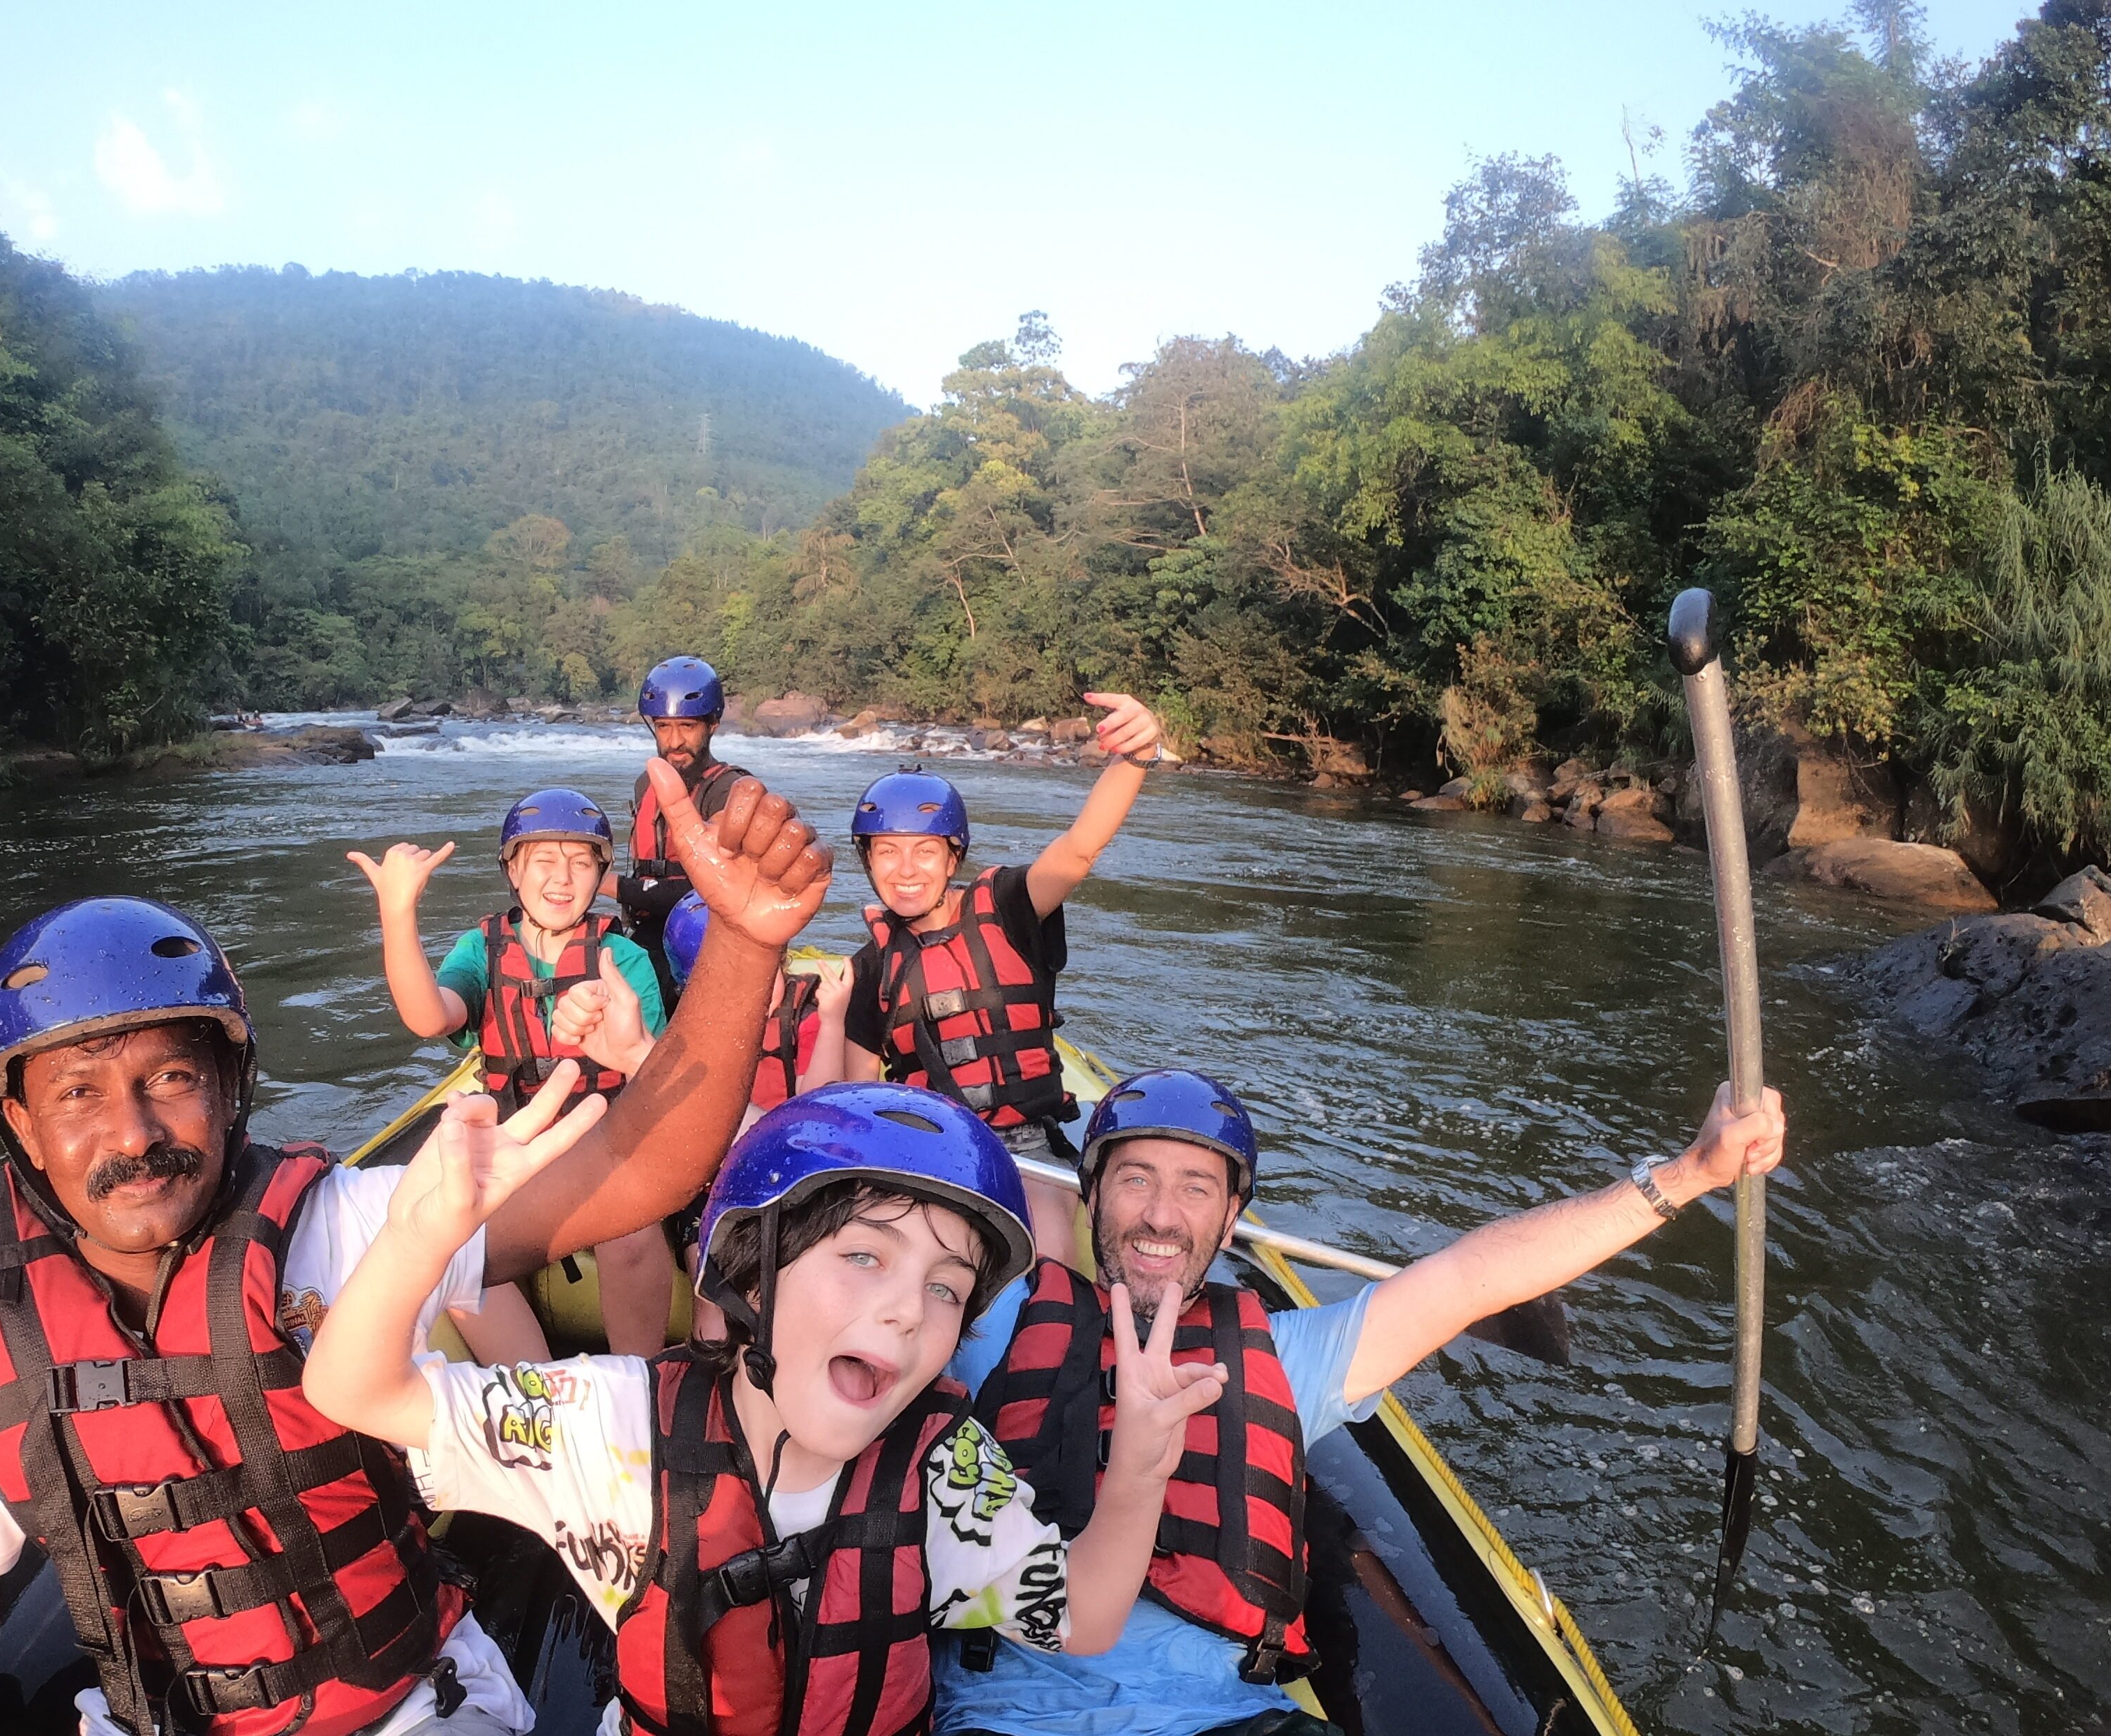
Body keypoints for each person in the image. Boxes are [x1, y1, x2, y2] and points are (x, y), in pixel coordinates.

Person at [0, 761, 834, 1736]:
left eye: (171, 1077)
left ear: (228, 1092)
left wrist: (743, 939)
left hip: (409, 1709)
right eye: (78, 1094)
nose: (133, 1134)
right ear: (21, 1123)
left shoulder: (337, 1228)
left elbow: (645, 1171)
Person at [300, 1083, 1232, 1736]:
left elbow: (1082, 1618)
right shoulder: (613, 1427)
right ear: (750, 1273)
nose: (909, 1308)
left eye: (947, 1289)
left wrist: (1141, 1468)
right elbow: (354, 1390)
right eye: (864, 1257)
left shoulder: (947, 1472)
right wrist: (422, 1242)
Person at [932, 1065, 1790, 1736]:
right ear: (1092, 1197)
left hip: (1232, 1719)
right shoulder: (990, 1319)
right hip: (1009, 1712)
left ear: (1230, 1223)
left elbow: (1470, 1276)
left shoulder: (1286, 1357)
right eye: (1135, 1180)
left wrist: (1687, 1173)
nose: (1162, 1214)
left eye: (1196, 1187)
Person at [842, 691, 1169, 1262]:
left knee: (1045, 1250)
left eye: (923, 851)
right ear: (868, 862)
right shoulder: (869, 967)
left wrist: (1135, 755)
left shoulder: (1010, 908)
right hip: (930, 1147)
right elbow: (859, 1095)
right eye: (886, 852)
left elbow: (1079, 851)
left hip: (1025, 1145)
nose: (905, 870)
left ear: (953, 859)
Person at [351, 785, 676, 1355]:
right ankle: (534, 1385)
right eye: (543, 862)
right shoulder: (481, 951)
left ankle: (640, 1381)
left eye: (580, 863)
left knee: (628, 1239)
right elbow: (431, 1017)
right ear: (514, 873)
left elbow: (649, 1070)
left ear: (600, 874)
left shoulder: (623, 957)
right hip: (511, 1133)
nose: (562, 879)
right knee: (447, 1241)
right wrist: (397, 912)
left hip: (602, 1132)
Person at [609, 655, 754, 995]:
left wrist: (606, 885)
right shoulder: (646, 783)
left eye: (687, 727)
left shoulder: (729, 791)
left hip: (703, 945)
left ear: (712, 724)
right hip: (649, 935)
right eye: (663, 726)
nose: (674, 742)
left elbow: (711, 891)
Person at [663, 887, 853, 1113]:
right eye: (733, 986)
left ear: (781, 960)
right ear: (695, 994)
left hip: (788, 1137)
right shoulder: (693, 1030)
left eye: (762, 977)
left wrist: (832, 1023)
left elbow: (820, 1107)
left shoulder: (804, 1020)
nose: (752, 995)